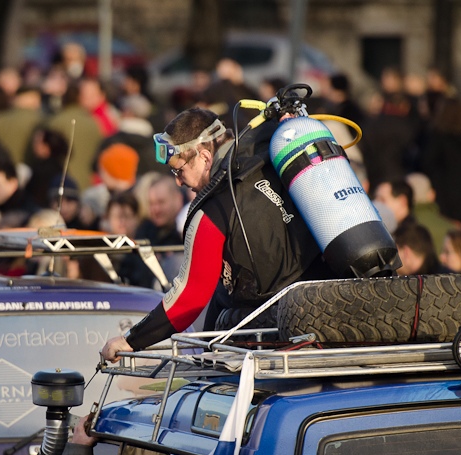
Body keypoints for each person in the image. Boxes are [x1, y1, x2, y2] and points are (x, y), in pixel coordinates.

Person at [101, 107, 328, 361]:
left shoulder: (212, 211)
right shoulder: (268, 152)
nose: (178, 181)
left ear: (205, 158)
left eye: (179, 170)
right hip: (333, 305)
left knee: (223, 305)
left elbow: (189, 299)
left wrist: (130, 340)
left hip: (282, 333)